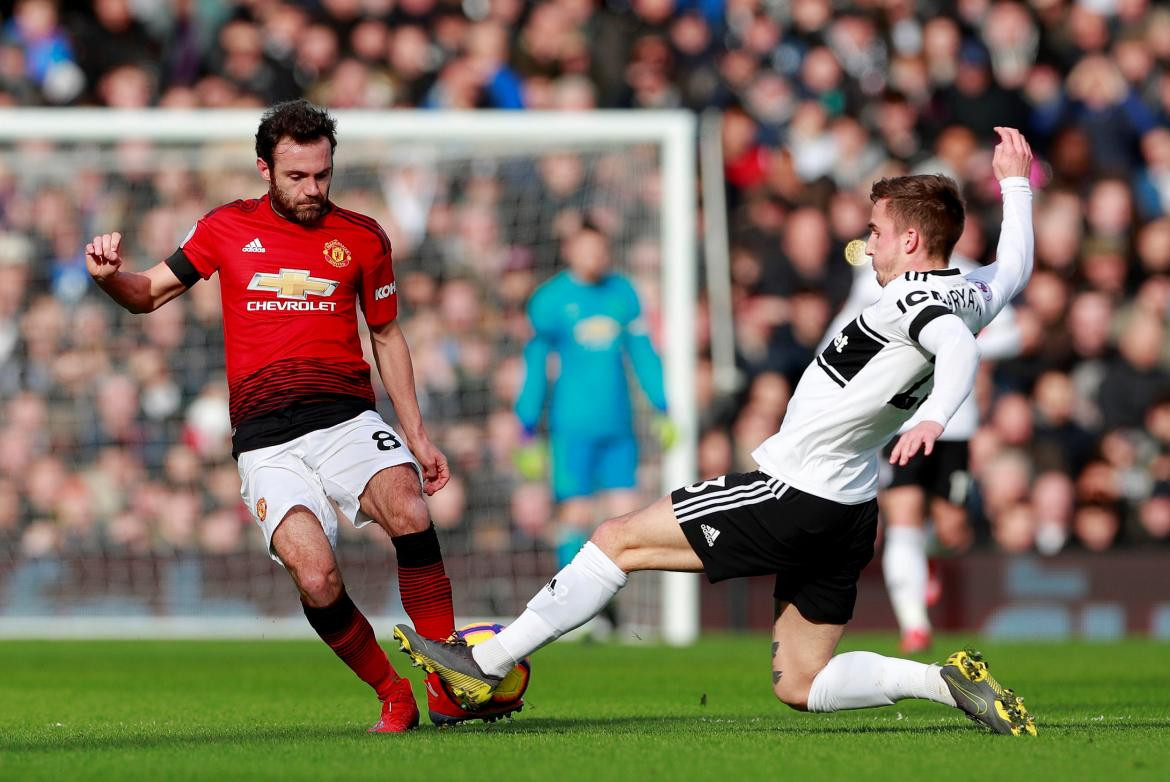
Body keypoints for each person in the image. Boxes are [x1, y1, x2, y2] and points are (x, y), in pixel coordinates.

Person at [394, 128, 1040, 736]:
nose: (865, 245)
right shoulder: (970, 290)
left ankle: (487, 662)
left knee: (616, 540)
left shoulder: (917, 302)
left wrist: (936, 414)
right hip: (847, 510)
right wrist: (1016, 187)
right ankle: (943, 681)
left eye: (875, 233)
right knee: (802, 683)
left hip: (793, 493)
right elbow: (1013, 267)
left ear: (909, 242)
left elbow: (955, 347)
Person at [84, 99, 503, 732]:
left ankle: (449, 679)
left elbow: (387, 336)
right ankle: (393, 693)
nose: (312, 189)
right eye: (297, 177)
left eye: (322, 175)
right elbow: (148, 294)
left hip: (346, 418)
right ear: (265, 170)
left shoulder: (362, 237)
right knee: (316, 575)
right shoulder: (224, 228)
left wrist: (416, 434)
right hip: (265, 440)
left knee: (410, 507)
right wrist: (109, 277)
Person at [822, 245, 1022, 653]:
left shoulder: (968, 278)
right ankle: (914, 625)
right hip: (902, 419)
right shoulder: (879, 278)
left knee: (951, 529)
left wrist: (958, 340)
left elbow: (1014, 332)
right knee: (903, 516)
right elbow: (841, 332)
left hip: (955, 421)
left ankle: (924, 565)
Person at [514, 222, 673, 596]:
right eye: (587, 248)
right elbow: (535, 367)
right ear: (570, 250)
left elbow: (643, 355)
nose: (595, 256)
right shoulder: (550, 300)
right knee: (576, 516)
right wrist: (526, 426)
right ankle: (570, 601)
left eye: (600, 249)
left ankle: (607, 603)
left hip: (619, 426)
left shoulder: (623, 293)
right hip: (572, 427)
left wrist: (663, 406)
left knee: (626, 515)